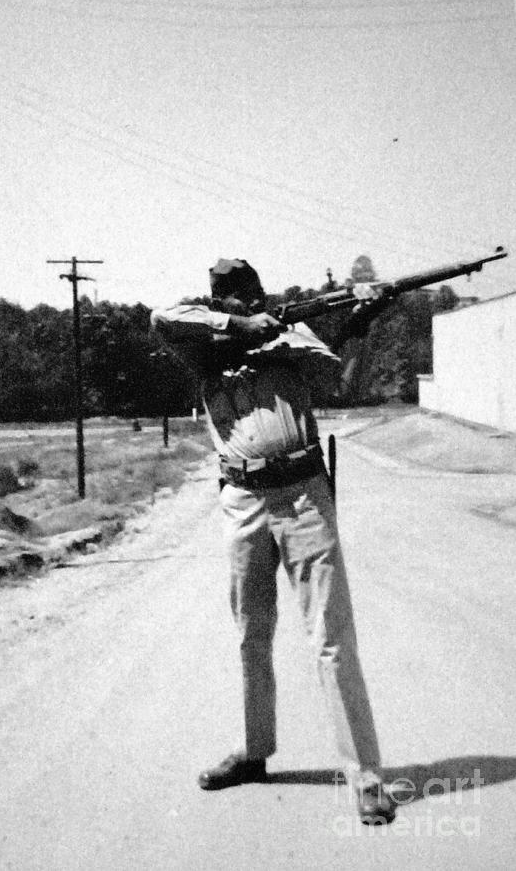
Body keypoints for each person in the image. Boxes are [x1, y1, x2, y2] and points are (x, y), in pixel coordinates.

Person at [150, 258, 395, 825]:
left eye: (252, 296)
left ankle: (366, 777)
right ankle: (254, 753)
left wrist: (358, 314)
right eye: (233, 300)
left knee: (331, 637)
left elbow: (335, 377)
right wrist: (239, 331)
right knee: (250, 636)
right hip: (242, 500)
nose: (248, 304)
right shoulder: (204, 343)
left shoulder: (290, 333)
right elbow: (161, 317)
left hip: (303, 495)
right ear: (218, 305)